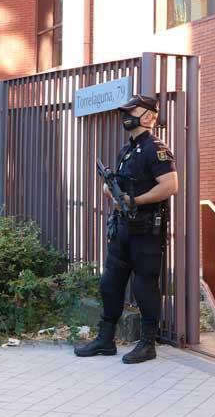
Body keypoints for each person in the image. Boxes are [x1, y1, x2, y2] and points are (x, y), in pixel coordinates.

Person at [74, 95, 178, 364]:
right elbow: (116, 185)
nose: (125, 116)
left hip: (146, 231)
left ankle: (147, 344)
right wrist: (110, 190)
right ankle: (105, 339)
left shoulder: (156, 148)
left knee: (144, 286)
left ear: (149, 117)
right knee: (110, 283)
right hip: (122, 229)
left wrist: (136, 201)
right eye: (124, 112)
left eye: (131, 111)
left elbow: (170, 186)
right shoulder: (126, 151)